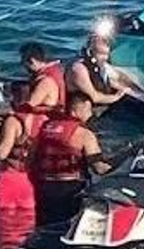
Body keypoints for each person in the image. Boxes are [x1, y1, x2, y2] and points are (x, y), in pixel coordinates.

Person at [28, 91, 110, 225]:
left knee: (44, 226)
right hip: (70, 189)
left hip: (43, 187)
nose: (91, 115)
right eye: (89, 110)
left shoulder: (45, 128)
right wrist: (124, 159)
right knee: (67, 226)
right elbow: (99, 168)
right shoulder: (84, 134)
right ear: (81, 107)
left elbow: (30, 159)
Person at [0, 83, 37, 214]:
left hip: (11, 175)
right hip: (31, 178)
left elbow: (2, 153)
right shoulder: (40, 118)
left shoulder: (13, 121)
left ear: (14, 97)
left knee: (3, 219)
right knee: (27, 218)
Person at [65, 34, 128, 111]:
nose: (105, 58)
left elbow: (106, 81)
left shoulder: (99, 65)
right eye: (101, 54)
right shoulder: (78, 70)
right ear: (90, 52)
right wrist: (117, 97)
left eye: (107, 54)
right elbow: (95, 97)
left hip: (102, 106)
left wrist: (126, 88)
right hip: (85, 111)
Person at [15, 42, 66, 138]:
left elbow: (28, 107)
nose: (23, 66)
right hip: (54, 116)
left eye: (23, 62)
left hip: (46, 121)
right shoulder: (56, 71)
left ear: (32, 61)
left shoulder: (45, 81)